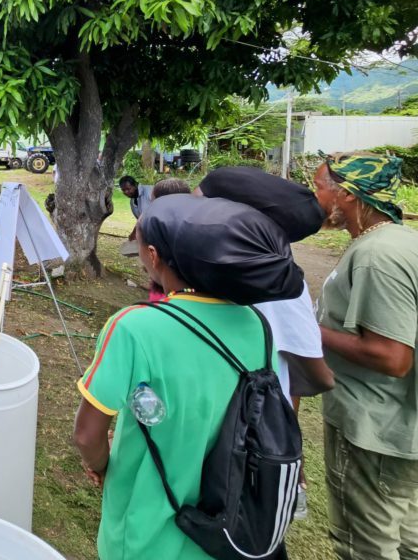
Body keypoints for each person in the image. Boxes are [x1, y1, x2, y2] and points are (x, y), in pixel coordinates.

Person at [73, 194, 298, 559]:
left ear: (155, 256)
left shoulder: (133, 327)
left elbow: (86, 435)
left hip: (145, 537)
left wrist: (103, 465)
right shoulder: (257, 324)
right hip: (222, 532)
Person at [196, 166, 335, 520]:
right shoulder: (205, 272)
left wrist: (289, 440)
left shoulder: (282, 285)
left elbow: (304, 369)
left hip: (249, 439)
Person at [312, 152, 418, 560]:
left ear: (347, 196)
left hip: (374, 430)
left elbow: (392, 356)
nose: (315, 197)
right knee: (407, 542)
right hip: (396, 428)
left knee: (366, 546)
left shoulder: (378, 256)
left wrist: (309, 331)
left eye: (320, 187)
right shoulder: (394, 242)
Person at [119, 175, 153, 240]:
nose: (126, 192)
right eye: (123, 190)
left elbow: (146, 217)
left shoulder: (149, 191)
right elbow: (140, 220)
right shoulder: (132, 201)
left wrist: (134, 233)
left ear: (135, 185)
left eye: (128, 189)